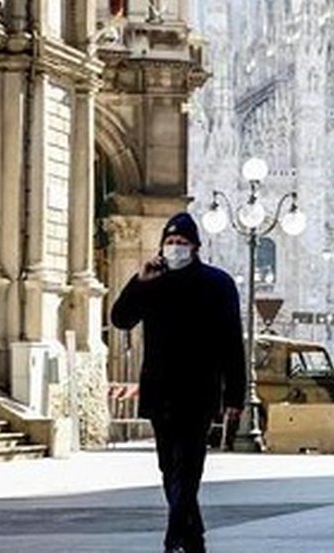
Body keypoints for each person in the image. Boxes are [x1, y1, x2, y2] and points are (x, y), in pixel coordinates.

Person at [110, 212, 246, 553]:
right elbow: (121, 319)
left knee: (189, 464)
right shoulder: (152, 281)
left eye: (181, 243)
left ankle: (173, 535)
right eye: (169, 243)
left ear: (195, 247)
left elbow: (232, 341)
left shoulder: (218, 283)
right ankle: (193, 533)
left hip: (199, 390)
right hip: (159, 388)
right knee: (167, 466)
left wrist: (235, 395)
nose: (175, 248)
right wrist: (138, 283)